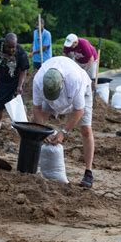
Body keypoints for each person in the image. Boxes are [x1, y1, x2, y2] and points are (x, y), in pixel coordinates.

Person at [32, 56, 95, 188]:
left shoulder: (75, 80)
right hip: (51, 100)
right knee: (36, 127)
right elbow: (37, 109)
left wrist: (63, 132)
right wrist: (43, 132)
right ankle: (33, 164)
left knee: (86, 130)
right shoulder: (38, 80)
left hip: (81, 94)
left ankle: (88, 172)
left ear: (62, 83)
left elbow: (79, 111)